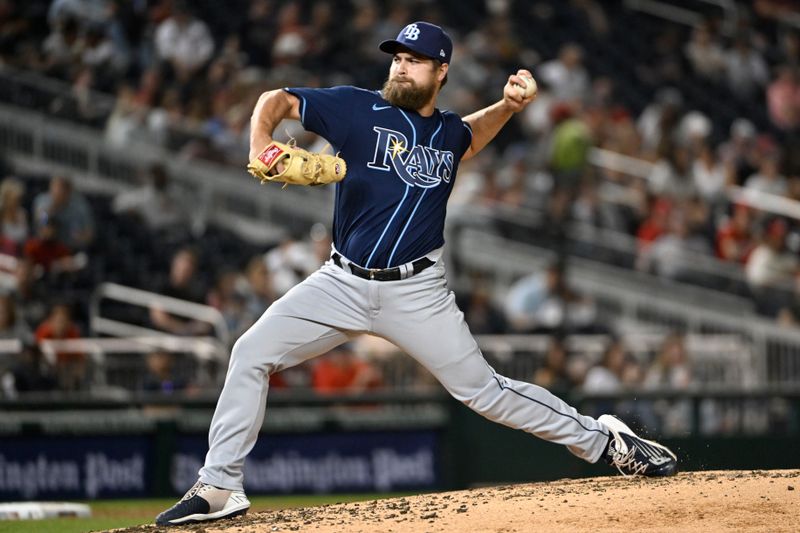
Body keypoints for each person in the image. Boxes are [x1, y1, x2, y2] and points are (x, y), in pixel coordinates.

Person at [156, 21, 677, 526]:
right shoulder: (357, 108)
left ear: (441, 71)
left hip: (417, 291)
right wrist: (258, 143)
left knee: (485, 393)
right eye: (398, 58)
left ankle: (609, 442)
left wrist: (510, 107)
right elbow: (278, 99)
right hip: (341, 282)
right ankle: (220, 486)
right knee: (250, 352)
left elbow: (471, 137)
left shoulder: (447, 134)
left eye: (415, 61)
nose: (401, 68)